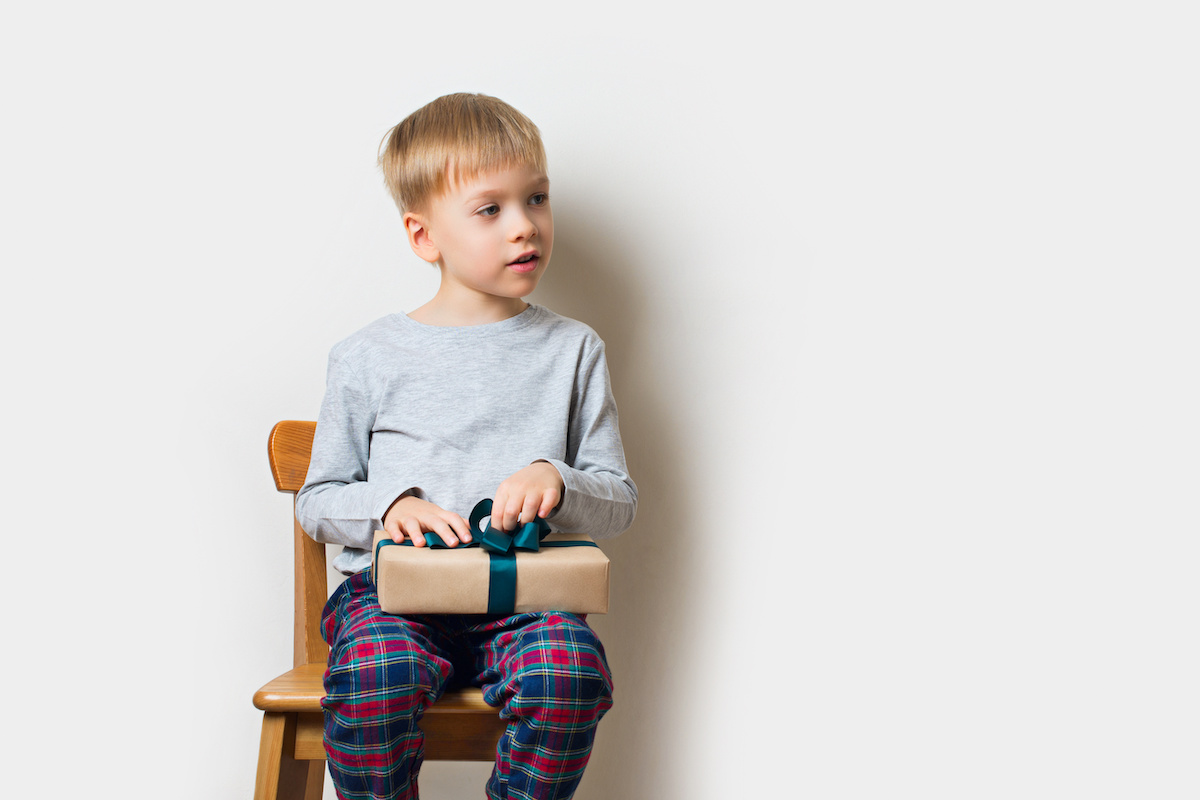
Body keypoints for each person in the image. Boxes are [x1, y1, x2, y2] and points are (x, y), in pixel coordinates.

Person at [295, 92, 637, 800]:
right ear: (425, 237)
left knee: (569, 674)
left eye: (536, 198)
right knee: (372, 677)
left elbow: (619, 501)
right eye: (491, 209)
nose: (526, 227)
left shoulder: (573, 350)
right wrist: (389, 505)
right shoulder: (367, 356)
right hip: (390, 599)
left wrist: (559, 478)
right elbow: (318, 501)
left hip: (526, 601)